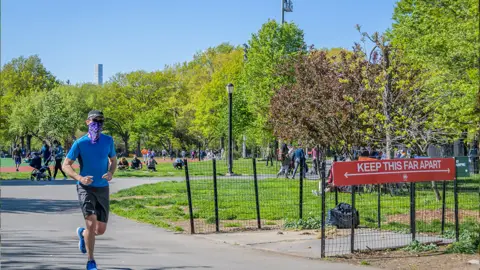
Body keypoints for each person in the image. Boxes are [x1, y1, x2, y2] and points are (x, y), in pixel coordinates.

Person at [62, 110, 117, 270]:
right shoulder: (80, 143)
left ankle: (83, 233)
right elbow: (66, 165)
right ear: (87, 122)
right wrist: (80, 178)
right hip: (85, 187)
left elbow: (113, 160)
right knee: (91, 224)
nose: (97, 124)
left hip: (102, 188)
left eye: (101, 121)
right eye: (94, 120)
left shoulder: (108, 140)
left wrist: (111, 172)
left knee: (99, 230)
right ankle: (91, 260)